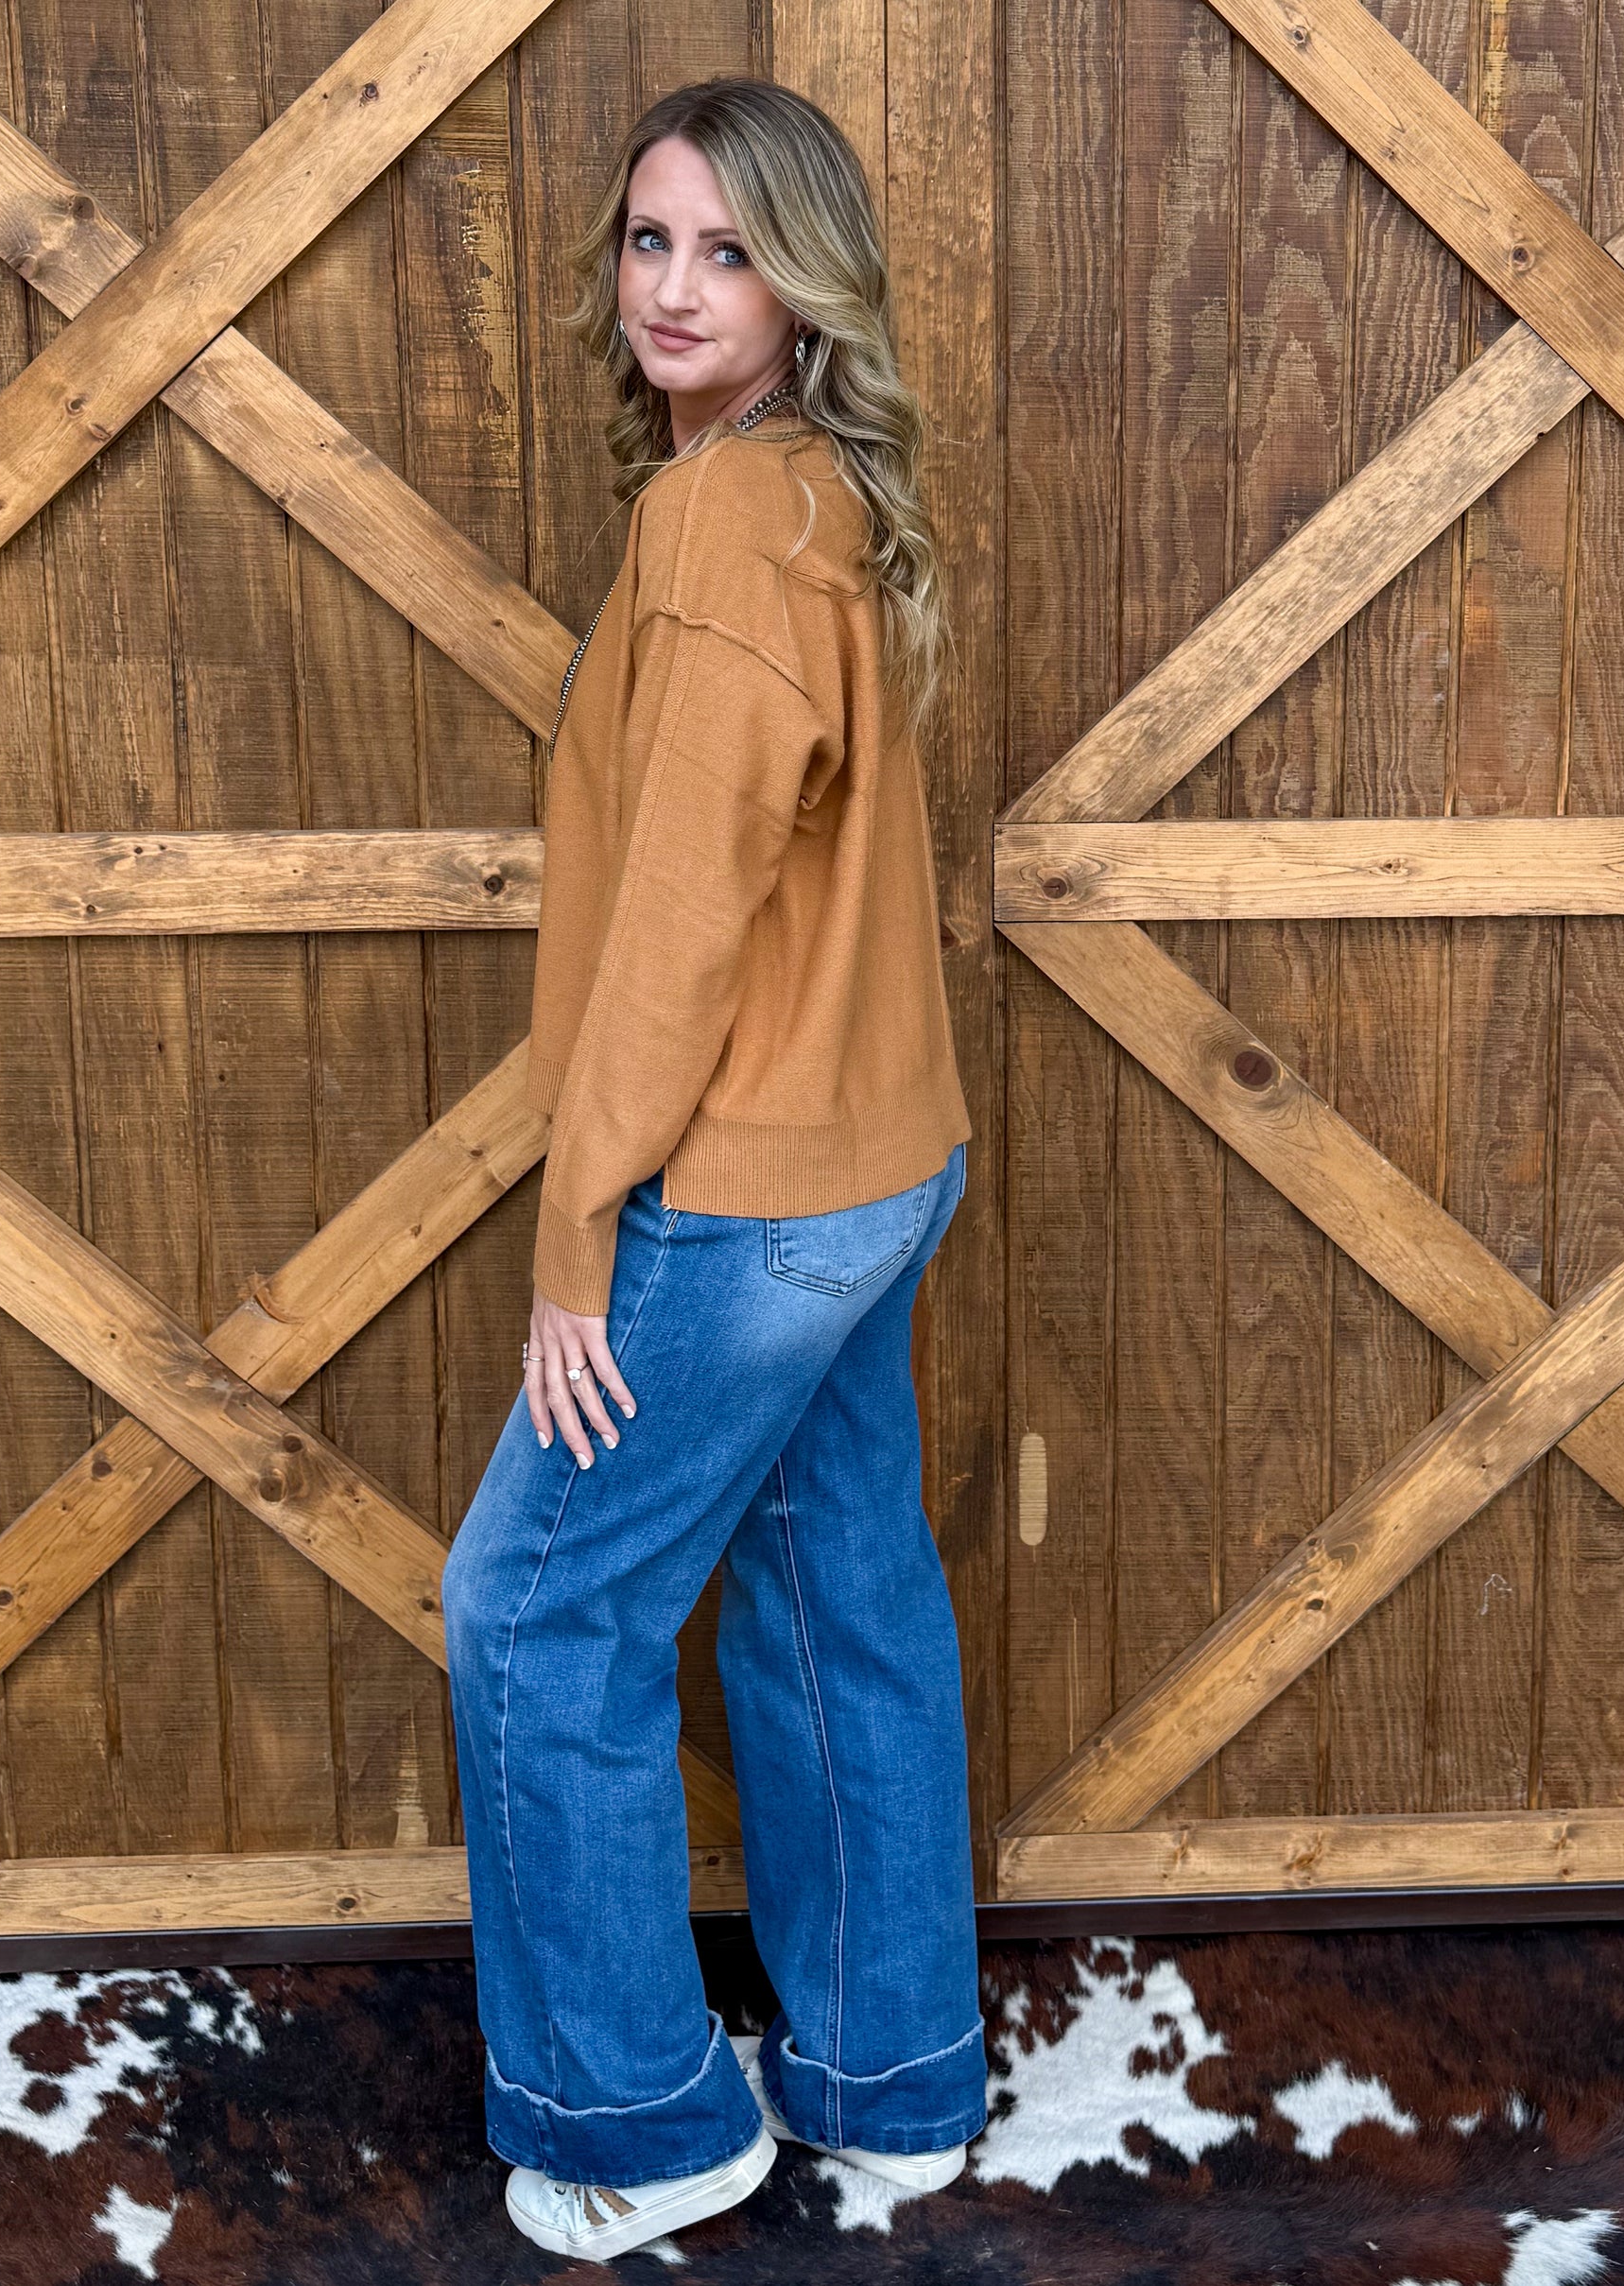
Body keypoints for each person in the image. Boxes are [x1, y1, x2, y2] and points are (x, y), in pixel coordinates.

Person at [441, 73, 984, 2263]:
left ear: (806, 286)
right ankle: (892, 2081)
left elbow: (676, 926)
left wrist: (578, 1233)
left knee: (535, 1615)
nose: (675, 288)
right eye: (650, 240)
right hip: (879, 1167)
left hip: (743, 1200)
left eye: (730, 251)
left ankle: (642, 2123)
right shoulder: (819, 495)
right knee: (844, 1603)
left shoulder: (721, 527)